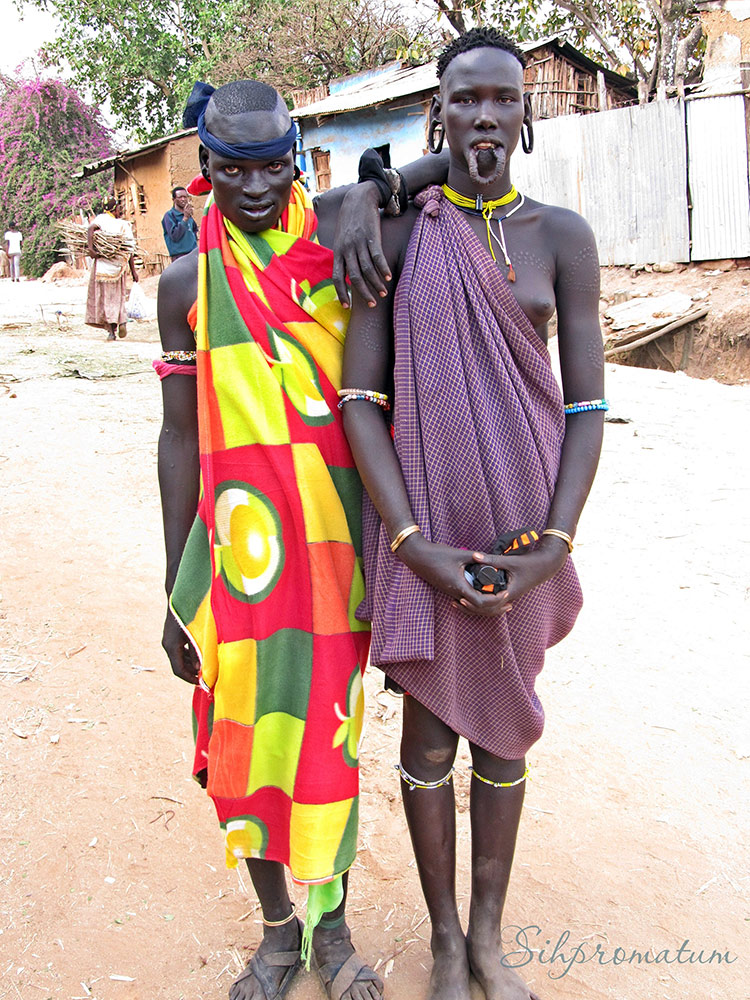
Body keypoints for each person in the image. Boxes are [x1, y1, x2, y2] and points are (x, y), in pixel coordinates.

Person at [340, 28, 606, 1000]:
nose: (485, 116)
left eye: (503, 98)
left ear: (525, 113)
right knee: (426, 742)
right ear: (439, 113)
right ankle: (446, 944)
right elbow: (359, 401)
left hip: (526, 534)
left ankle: (489, 938)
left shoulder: (562, 238)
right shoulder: (396, 236)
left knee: (505, 735)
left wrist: (556, 543)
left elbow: (584, 407)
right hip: (426, 533)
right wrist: (411, 545)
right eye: (466, 100)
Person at [156, 78, 407, 1000]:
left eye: (273, 166)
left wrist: (373, 188)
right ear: (205, 170)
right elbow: (181, 433)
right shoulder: (186, 282)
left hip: (338, 556)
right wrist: (175, 586)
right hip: (239, 564)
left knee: (326, 745)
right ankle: (274, 933)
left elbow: (432, 176)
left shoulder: (340, 245)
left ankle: (332, 933)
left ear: (295, 158)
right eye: (235, 170)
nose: (256, 188)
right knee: (246, 748)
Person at [85, 199, 139, 340]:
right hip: (118, 267)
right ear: (114, 209)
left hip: (102, 267)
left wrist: (91, 249)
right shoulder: (123, 225)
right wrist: (133, 272)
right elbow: (130, 250)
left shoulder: (101, 219)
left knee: (104, 298)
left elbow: (90, 229)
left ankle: (111, 332)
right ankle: (121, 321)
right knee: (118, 297)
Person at [161, 186, 199, 260]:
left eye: (185, 197)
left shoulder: (189, 215)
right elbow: (175, 236)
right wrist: (185, 219)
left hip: (193, 254)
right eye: (180, 197)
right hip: (179, 257)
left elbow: (194, 231)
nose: (183, 199)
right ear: (174, 200)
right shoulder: (169, 215)